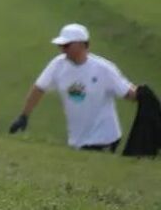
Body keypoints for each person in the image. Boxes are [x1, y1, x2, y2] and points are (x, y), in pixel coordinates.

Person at [10, 22, 143, 152]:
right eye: (61, 45)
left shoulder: (104, 69)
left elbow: (128, 93)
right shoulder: (58, 65)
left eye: (67, 45)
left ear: (82, 45)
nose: (62, 49)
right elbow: (39, 88)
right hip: (78, 140)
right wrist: (24, 115)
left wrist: (144, 95)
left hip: (104, 138)